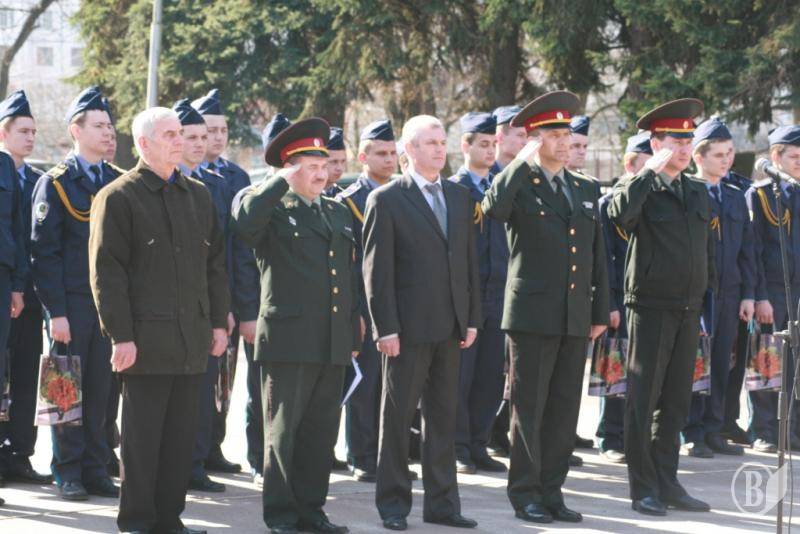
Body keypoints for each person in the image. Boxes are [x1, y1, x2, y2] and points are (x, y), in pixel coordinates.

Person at [89, 105, 229, 534]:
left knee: (179, 440)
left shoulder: (198, 195)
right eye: (169, 134)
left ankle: (170, 519)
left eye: (179, 133)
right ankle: (137, 521)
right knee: (142, 441)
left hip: (191, 340)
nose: (179, 140)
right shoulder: (118, 196)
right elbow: (107, 273)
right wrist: (121, 336)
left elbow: (214, 266)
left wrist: (217, 323)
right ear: (143, 144)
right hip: (145, 343)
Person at [482, 91, 608, 524]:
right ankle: (526, 493)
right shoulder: (521, 183)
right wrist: (520, 162)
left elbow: (595, 254)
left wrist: (599, 311)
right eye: (554, 135)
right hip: (532, 316)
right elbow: (493, 207)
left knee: (563, 410)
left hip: (574, 314)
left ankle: (552, 491)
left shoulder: (584, 186)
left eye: (566, 134)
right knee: (530, 409)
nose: (564, 142)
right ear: (535, 139)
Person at [232, 117, 359, 534]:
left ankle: (311, 510)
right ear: (288, 169)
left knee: (320, 432)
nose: (322, 175)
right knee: (283, 433)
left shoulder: (337, 211)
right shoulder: (269, 206)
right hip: (289, 338)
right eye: (311, 167)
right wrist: (278, 183)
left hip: (331, 339)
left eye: (324, 166)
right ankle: (282, 514)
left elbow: (348, 276)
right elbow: (244, 225)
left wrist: (353, 325)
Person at [364, 114, 480, 532]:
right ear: (408, 150)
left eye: (442, 141)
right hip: (407, 330)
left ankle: (443, 505)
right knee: (397, 421)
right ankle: (393, 505)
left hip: (450, 327)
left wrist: (471, 318)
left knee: (443, 420)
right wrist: (385, 328)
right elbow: (376, 272)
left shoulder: (460, 196)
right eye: (430, 142)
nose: (439, 149)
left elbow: (468, 263)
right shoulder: (387, 199)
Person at [609, 98, 715, 516]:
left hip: (688, 307)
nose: (685, 148)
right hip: (650, 306)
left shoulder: (696, 189)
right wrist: (647, 172)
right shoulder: (638, 187)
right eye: (676, 140)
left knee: (676, 401)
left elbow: (706, 251)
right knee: (643, 399)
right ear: (655, 144)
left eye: (689, 140)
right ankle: (643, 488)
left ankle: (668, 481)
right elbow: (619, 215)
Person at [31, 86, 123, 500]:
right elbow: (44, 254)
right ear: (76, 130)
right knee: (65, 391)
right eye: (99, 126)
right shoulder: (56, 183)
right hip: (71, 305)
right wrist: (56, 312)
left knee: (103, 392)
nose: (108, 133)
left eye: (110, 126)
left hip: (107, 307)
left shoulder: (117, 181)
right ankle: (67, 471)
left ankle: (96, 468)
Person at [681, 118, 754, 458]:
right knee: (696, 362)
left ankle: (714, 428)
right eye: (719, 155)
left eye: (729, 153)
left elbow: (747, 251)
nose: (727, 161)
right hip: (699, 293)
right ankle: (692, 430)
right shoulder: (687, 192)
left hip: (730, 292)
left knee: (723, 362)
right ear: (699, 157)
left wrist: (749, 294)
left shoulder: (735, 197)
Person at [171, 99, 234, 494]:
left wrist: (224, 309)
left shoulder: (214, 184)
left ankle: (195, 463)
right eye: (190, 137)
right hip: (168, 307)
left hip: (206, 305)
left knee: (204, 388)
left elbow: (222, 255)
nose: (200, 143)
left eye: (203, 136)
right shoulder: (160, 183)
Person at [336, 119, 398, 483]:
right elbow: (348, 264)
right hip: (364, 306)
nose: (389, 160)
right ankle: (361, 455)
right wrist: (354, 312)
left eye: (393, 153)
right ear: (363, 157)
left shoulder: (403, 193)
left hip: (397, 305)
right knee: (365, 384)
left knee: (394, 387)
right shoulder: (349, 201)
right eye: (381, 153)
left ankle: (387, 455)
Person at [192, 88, 250, 475]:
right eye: (207, 130)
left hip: (226, 294)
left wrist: (237, 303)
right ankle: (194, 453)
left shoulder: (236, 176)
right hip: (198, 299)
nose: (216, 137)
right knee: (198, 382)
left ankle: (214, 445)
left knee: (223, 381)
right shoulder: (193, 179)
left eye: (222, 130)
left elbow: (240, 247)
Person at [448, 112, 507, 475]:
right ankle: (457, 446)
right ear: (465, 146)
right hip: (466, 297)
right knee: (460, 377)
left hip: (497, 293)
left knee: (490, 377)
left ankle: (478, 443)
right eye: (483, 144)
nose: (490, 151)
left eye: (493, 144)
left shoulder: (500, 187)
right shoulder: (454, 190)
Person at [0, 90, 52, 486]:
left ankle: (20, 453)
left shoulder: (37, 180)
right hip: (7, 289)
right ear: (3, 133)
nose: (30, 138)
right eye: (23, 131)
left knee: (26, 374)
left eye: (34, 131)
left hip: (29, 294)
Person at [594, 132, 652, 464]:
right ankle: (610, 435)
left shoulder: (654, 200)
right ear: (631, 165)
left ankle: (634, 437)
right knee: (614, 369)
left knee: (642, 374)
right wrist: (610, 304)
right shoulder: (609, 204)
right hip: (619, 301)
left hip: (648, 299)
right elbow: (604, 259)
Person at [746, 124, 800, 453]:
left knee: (795, 365)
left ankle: (792, 430)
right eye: (795, 157)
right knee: (767, 359)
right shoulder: (761, 194)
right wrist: (760, 295)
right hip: (773, 291)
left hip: (799, 292)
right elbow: (752, 251)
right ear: (775, 157)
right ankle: (764, 430)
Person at [324, 127, 347, 197]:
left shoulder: (345, 197)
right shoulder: (308, 196)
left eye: (343, 161)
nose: (339, 168)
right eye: (334, 162)